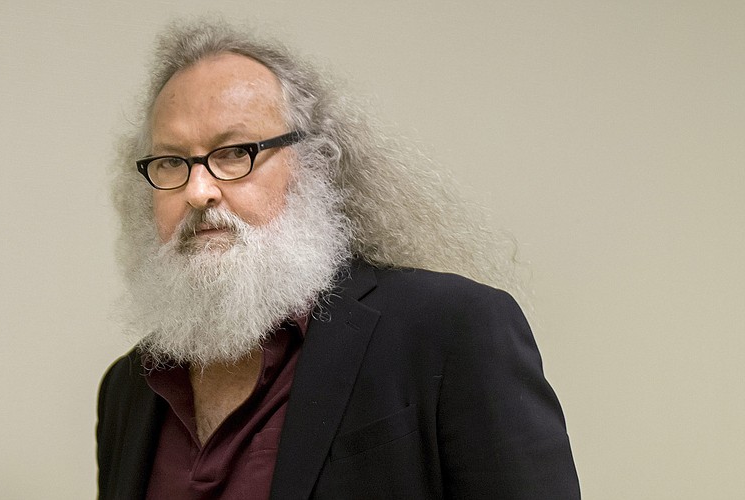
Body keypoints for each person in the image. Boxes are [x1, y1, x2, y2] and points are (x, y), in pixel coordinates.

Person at [97, 18, 581, 500]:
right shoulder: (128, 388)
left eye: (234, 152)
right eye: (170, 163)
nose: (198, 190)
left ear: (312, 164)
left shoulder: (452, 329)